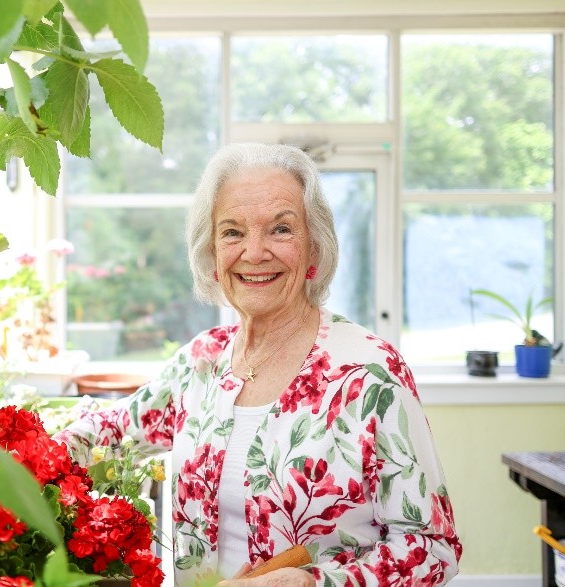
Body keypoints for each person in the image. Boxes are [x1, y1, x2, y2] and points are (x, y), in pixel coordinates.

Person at [55, 143, 462, 586]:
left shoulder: (370, 374)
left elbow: (432, 547)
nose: (254, 252)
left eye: (281, 229)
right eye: (232, 232)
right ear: (212, 255)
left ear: (314, 250)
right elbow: (110, 434)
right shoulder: (201, 362)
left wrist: (317, 583)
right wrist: (10, 449)